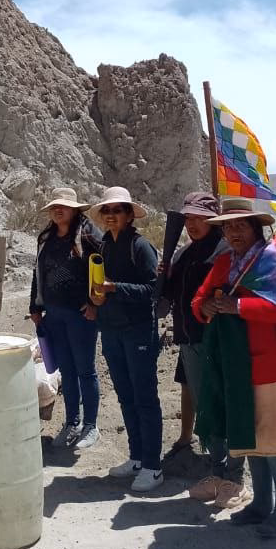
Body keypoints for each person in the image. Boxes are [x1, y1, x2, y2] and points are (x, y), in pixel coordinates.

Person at [192, 198, 276, 538]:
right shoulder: (225, 263)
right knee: (251, 438)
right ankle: (261, 504)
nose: (233, 232)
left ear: (255, 227)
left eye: (240, 225)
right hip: (237, 367)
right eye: (228, 226)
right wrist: (206, 307)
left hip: (272, 365)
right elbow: (198, 300)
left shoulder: (274, 262)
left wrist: (239, 306)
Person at [158, 192, 249, 509]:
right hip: (189, 341)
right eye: (188, 218)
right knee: (209, 413)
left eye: (199, 217)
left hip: (218, 343)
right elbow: (171, 298)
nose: (192, 224)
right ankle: (217, 472)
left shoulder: (225, 252)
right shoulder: (185, 253)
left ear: (213, 219)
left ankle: (234, 478)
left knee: (226, 410)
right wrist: (165, 274)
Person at [91, 186, 164, 492]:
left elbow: (152, 290)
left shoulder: (140, 246)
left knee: (144, 397)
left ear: (129, 215)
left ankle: (153, 466)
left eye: (117, 210)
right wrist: (96, 298)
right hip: (111, 329)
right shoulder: (104, 246)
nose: (111, 215)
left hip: (138, 329)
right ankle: (136, 457)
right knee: (125, 394)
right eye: (106, 211)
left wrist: (113, 288)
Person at [29, 187, 104, 451]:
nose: (57, 210)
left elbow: (103, 268)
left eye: (63, 206)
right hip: (53, 313)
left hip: (81, 315)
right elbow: (37, 272)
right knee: (67, 371)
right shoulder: (45, 237)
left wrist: (95, 304)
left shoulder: (89, 235)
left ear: (74, 209)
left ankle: (91, 425)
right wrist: (34, 306)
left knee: (85, 370)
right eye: (54, 207)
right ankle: (72, 422)